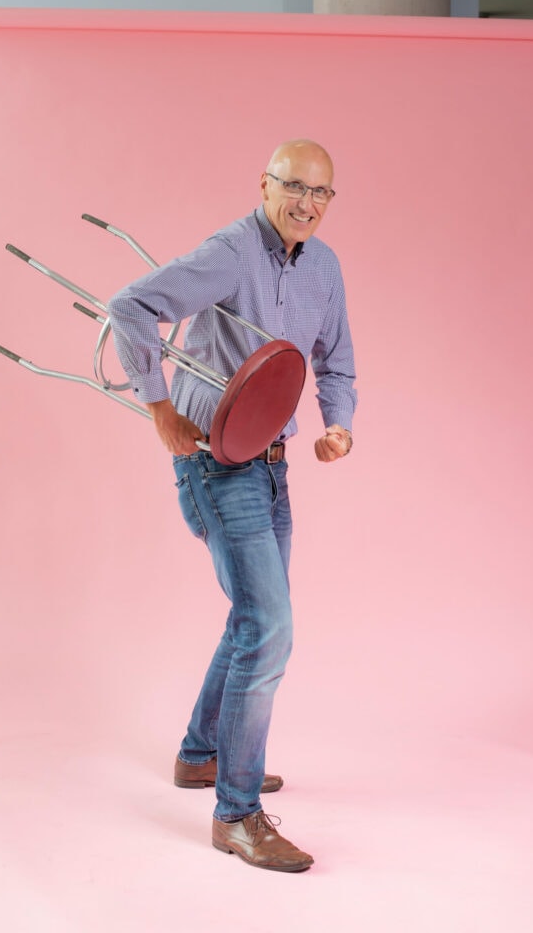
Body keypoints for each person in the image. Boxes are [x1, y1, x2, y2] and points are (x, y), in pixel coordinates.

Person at [108, 139, 357, 872]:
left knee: (254, 620)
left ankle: (201, 754)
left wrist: (338, 424)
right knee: (269, 629)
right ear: (265, 185)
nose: (306, 203)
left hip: (273, 464)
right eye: (294, 186)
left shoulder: (324, 267)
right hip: (217, 466)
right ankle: (237, 815)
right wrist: (159, 409)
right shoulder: (231, 251)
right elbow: (130, 306)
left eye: (320, 192)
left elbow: (335, 360)